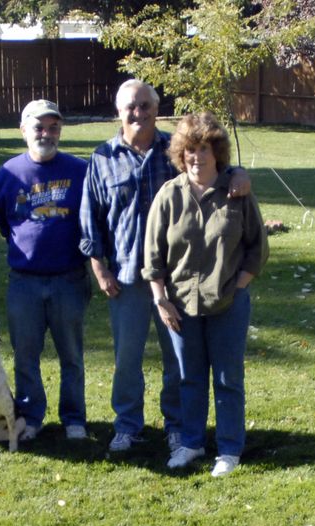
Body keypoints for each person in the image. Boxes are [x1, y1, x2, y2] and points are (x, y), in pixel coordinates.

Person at [80, 80, 251, 458]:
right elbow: (89, 219)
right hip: (125, 277)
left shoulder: (173, 149)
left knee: (179, 361)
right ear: (118, 112)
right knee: (127, 358)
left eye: (145, 105)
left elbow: (212, 164)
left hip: (175, 282)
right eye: (130, 107)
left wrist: (239, 172)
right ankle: (127, 427)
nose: (137, 113)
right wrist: (100, 269)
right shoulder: (102, 157)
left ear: (156, 109)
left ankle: (178, 429)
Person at [143, 113, 268, 478]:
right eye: (190, 150)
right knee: (189, 377)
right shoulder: (169, 195)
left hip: (228, 305)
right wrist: (160, 299)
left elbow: (256, 249)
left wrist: (237, 286)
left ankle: (229, 449)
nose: (197, 157)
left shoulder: (237, 192)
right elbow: (152, 256)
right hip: (180, 306)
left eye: (205, 149)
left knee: (228, 379)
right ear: (182, 153)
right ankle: (192, 443)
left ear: (218, 152)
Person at [0, 100, 91, 442]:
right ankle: (31, 417)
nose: (46, 134)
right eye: (38, 127)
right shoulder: (8, 173)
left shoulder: (80, 170)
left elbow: (91, 218)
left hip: (69, 279)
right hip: (25, 283)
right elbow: (5, 221)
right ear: (24, 131)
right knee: (26, 357)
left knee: (72, 355)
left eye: (53, 127)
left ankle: (74, 418)